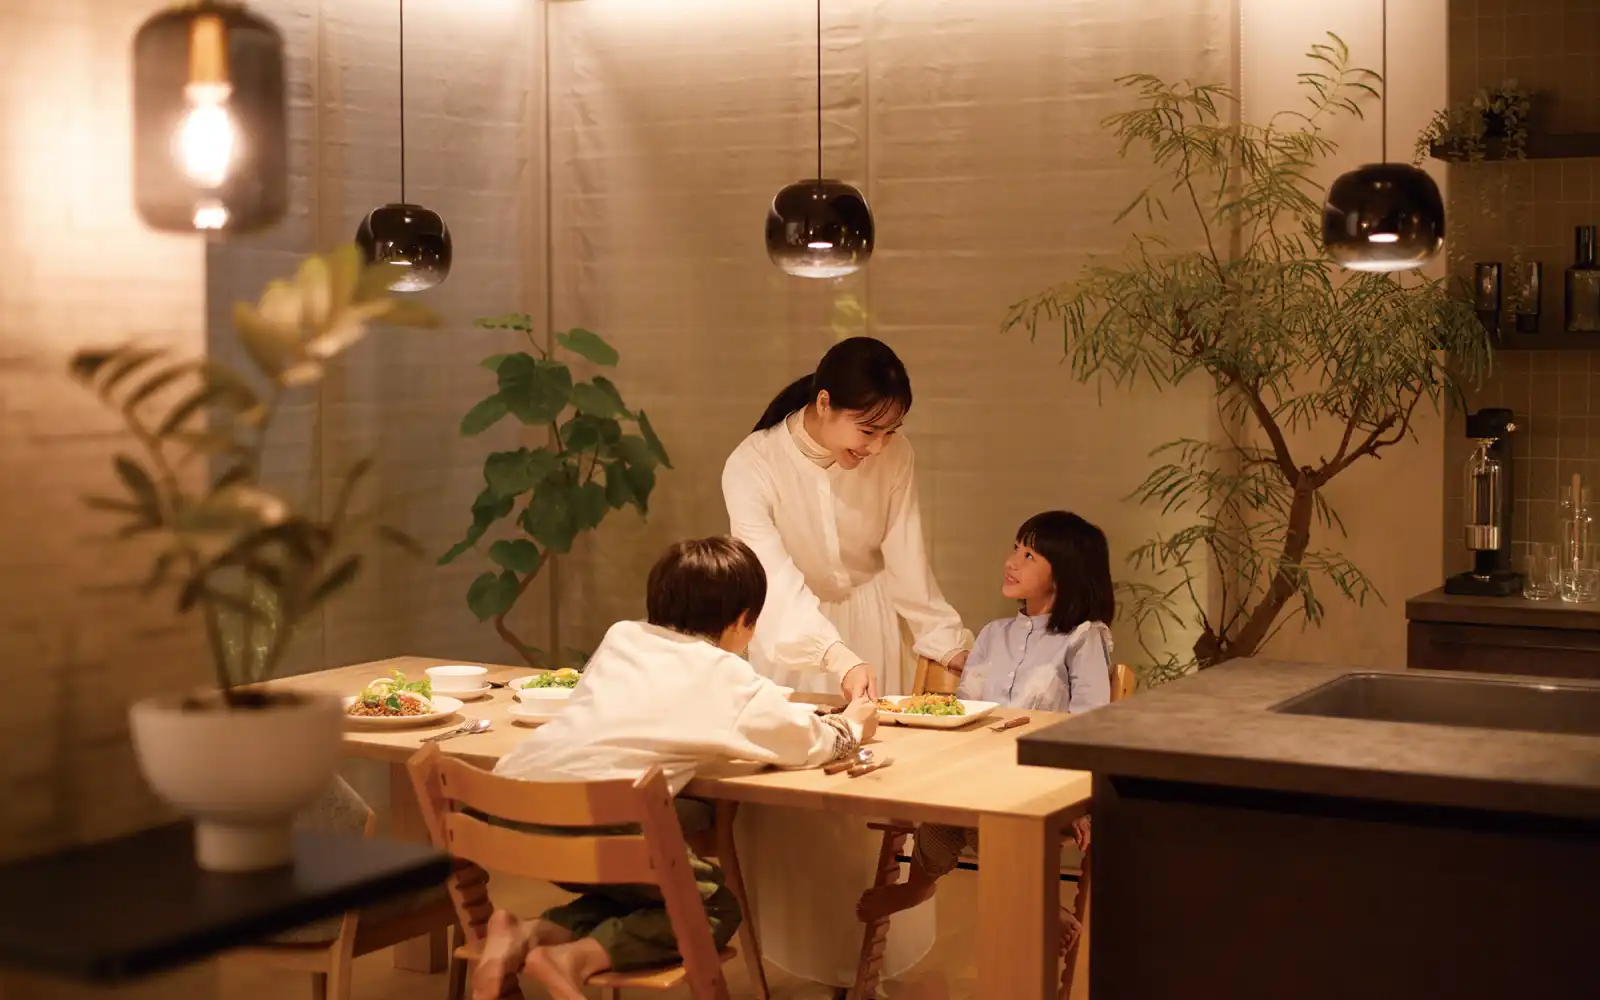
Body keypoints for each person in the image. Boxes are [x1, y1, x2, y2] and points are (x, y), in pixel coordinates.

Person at [477, 537, 879, 1000]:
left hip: (509, 812)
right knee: (710, 907)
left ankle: (527, 933)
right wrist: (854, 723)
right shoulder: (727, 677)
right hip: (596, 820)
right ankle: (574, 958)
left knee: (650, 891)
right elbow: (810, 744)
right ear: (741, 621)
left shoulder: (622, 638)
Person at [722, 336, 971, 990]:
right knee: (794, 810)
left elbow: (908, 559)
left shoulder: (894, 457)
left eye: (891, 431)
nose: (879, 446)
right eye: (868, 429)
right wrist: (831, 653)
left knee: (869, 807)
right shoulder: (752, 464)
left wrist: (948, 641)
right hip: (785, 638)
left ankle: (866, 968)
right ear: (825, 402)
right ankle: (793, 963)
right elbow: (773, 582)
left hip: (868, 624)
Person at [856, 510, 1114, 925]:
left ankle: (1036, 901)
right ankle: (921, 885)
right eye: (1015, 549)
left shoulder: (1083, 638)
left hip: (1042, 780)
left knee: (994, 820)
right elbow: (966, 707)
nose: (1011, 562)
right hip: (980, 774)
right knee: (943, 812)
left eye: (1029, 556)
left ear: (1064, 572)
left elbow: (1091, 725)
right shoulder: (994, 634)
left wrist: (1079, 805)